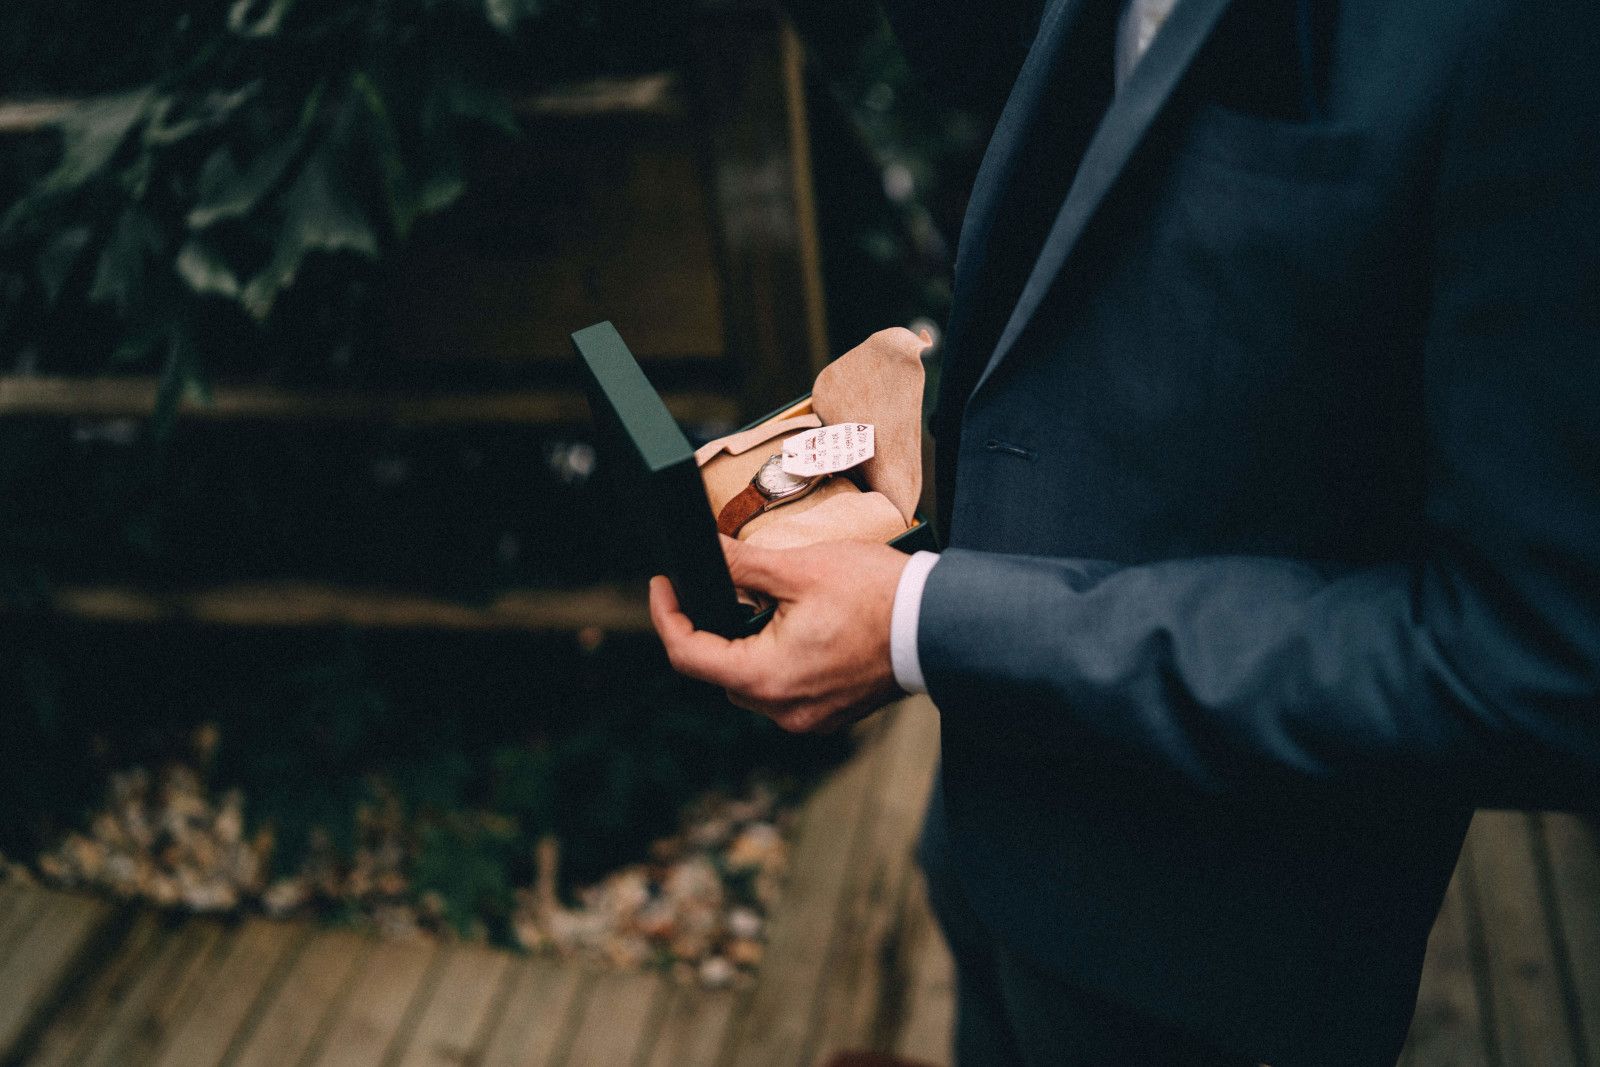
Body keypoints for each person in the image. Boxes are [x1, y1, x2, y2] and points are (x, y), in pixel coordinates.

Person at [649, 0, 1600, 1062]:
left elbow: (1537, 660)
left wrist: (926, 621)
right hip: (988, 828)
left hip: (1211, 944)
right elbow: (1016, 82)